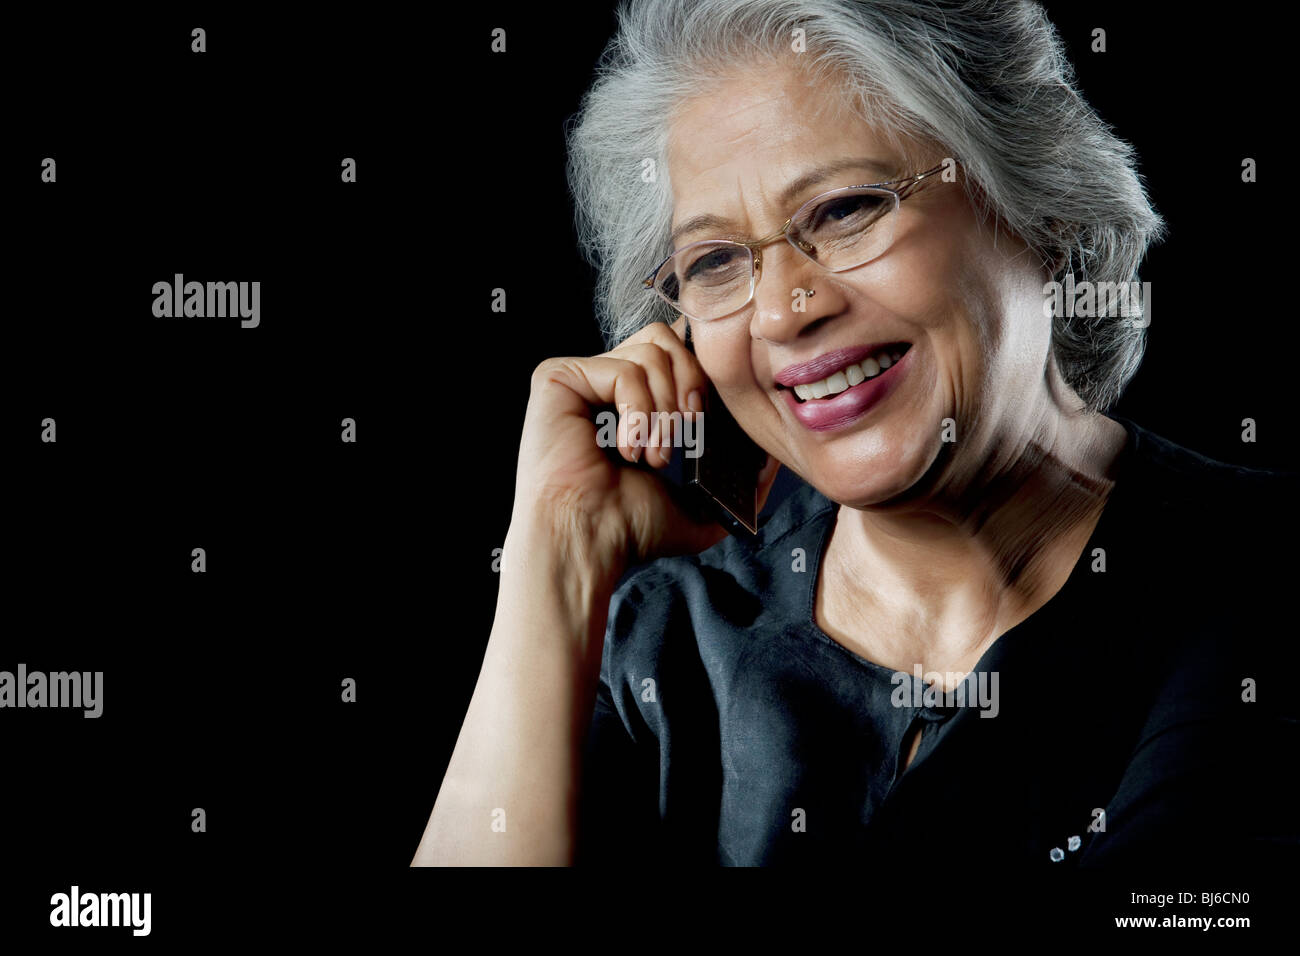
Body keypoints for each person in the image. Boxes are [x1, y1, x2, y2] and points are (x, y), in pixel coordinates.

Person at [412, 0, 1297, 868]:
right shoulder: (666, 649)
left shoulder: (1270, 580)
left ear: (1040, 210)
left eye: (843, 211)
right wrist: (557, 556)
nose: (783, 311)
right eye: (716, 261)